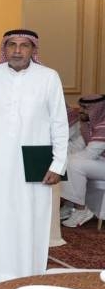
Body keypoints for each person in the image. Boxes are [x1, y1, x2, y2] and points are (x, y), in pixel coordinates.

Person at [0, 30, 69, 284]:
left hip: (35, 160)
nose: (17, 50)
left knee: (30, 216)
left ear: (33, 50)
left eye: (24, 46)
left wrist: (58, 163)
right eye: (11, 45)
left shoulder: (48, 77)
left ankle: (27, 274)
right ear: (5, 48)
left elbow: (59, 121)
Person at [60, 95, 105, 227]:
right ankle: (70, 205)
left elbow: (90, 153)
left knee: (74, 164)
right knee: (66, 160)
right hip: (99, 161)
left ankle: (81, 209)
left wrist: (68, 159)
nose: (81, 111)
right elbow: (77, 147)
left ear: (98, 109)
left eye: (86, 108)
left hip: (100, 161)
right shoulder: (88, 124)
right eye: (82, 107)